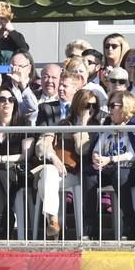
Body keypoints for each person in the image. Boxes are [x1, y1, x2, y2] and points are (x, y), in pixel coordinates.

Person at [84, 91, 135, 240]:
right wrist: (96, 157)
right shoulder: (108, 124)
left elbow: (134, 154)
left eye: (113, 105)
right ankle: (90, 228)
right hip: (108, 167)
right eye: (109, 105)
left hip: (130, 169)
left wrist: (111, 159)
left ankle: (129, 225)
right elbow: (98, 145)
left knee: (119, 175)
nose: (109, 109)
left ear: (126, 106)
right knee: (89, 175)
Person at [34, 86, 101, 238]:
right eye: (86, 105)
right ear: (77, 106)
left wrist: (82, 124)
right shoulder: (63, 123)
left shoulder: (97, 126)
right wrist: (53, 157)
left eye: (93, 106)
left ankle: (53, 223)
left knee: (43, 181)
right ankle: (53, 221)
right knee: (48, 172)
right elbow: (41, 145)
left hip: (79, 174)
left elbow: (81, 149)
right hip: (59, 171)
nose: (90, 109)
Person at [0, 85, 34, 239]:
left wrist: (1, 158)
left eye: (11, 99)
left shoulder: (24, 124)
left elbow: (25, 155)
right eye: (2, 99)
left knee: (1, 174)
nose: (6, 103)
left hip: (16, 169)